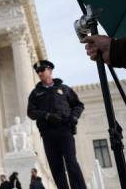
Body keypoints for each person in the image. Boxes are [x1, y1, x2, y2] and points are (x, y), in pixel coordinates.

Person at [27, 60, 87, 189]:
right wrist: (46, 115)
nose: (40, 73)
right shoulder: (35, 93)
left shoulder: (64, 89)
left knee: (71, 163)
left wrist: (74, 117)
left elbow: (78, 105)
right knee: (56, 167)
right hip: (48, 133)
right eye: (38, 72)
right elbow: (31, 112)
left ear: (50, 70)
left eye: (42, 70)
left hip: (65, 130)